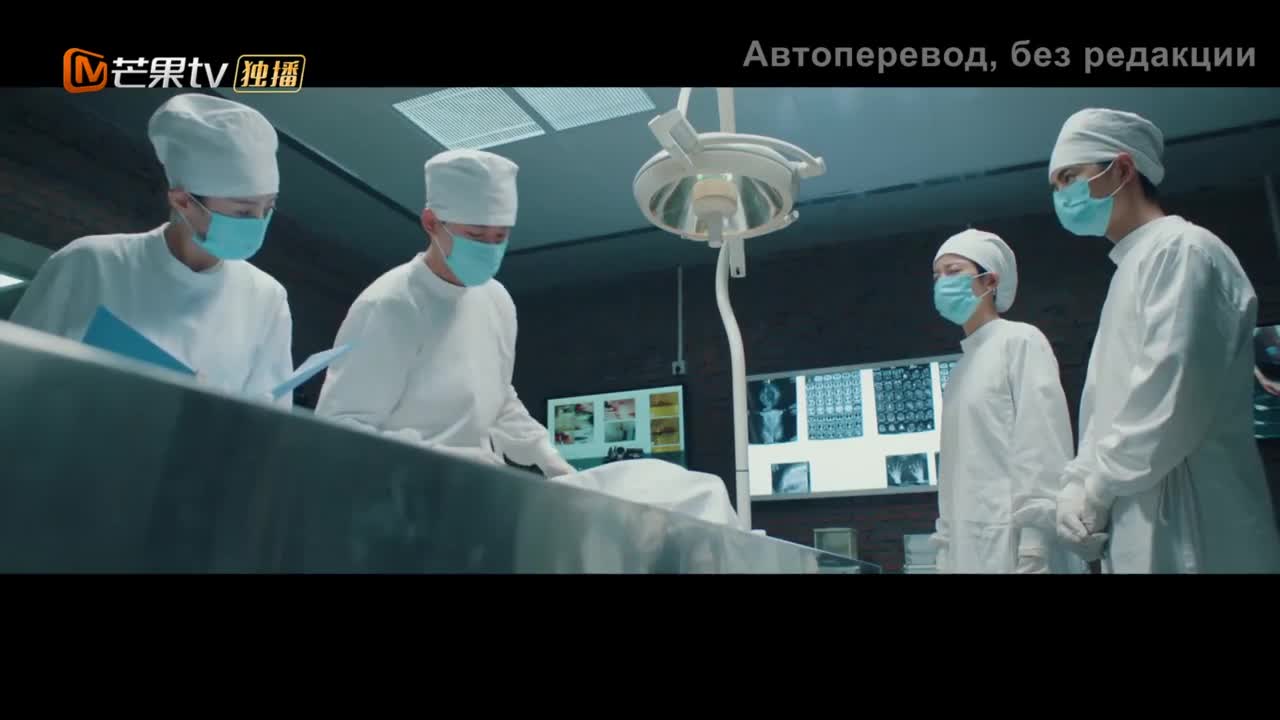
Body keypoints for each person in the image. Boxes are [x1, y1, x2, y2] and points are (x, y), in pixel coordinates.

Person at [1048, 107, 1280, 573]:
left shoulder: (1183, 250)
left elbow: (1169, 398)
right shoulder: (1130, 270)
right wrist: (1077, 484)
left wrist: (1096, 488)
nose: (1061, 196)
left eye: (1070, 177)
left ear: (1123, 169)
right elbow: (1109, 407)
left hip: (1196, 521)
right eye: (1055, 186)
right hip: (1139, 519)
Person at [10, 93, 293, 404]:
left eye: (269, 208)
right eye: (243, 211)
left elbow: (269, 416)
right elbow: (12, 379)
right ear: (182, 201)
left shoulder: (266, 299)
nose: (259, 222)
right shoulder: (91, 264)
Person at [314, 149, 575, 476]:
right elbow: (342, 428)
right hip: (394, 494)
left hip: (469, 490)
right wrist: (444, 460)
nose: (489, 247)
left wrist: (544, 452)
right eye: (476, 236)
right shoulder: (391, 304)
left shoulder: (496, 299)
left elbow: (496, 399)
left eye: (500, 236)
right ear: (431, 223)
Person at [929, 229, 1089, 574]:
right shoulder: (960, 371)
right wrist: (946, 547)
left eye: (953, 271)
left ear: (990, 281)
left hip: (1017, 543)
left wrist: (1035, 541)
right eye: (936, 275)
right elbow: (955, 470)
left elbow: (1041, 444)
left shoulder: (1020, 341)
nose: (942, 282)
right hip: (969, 544)